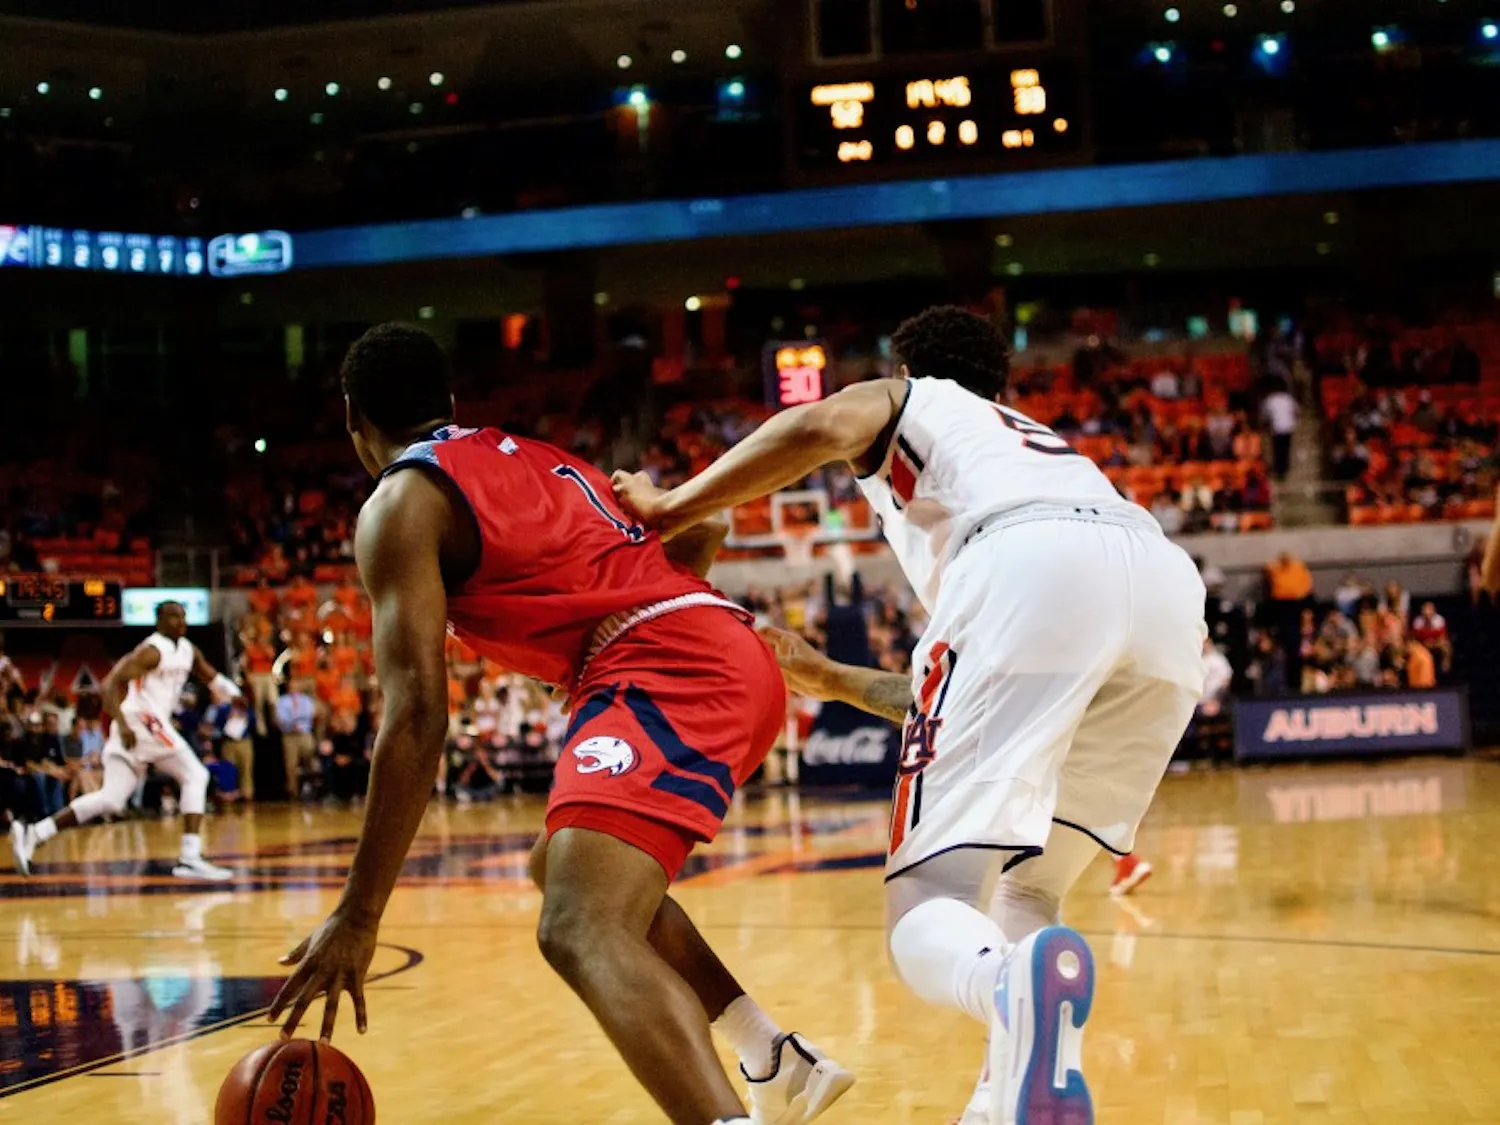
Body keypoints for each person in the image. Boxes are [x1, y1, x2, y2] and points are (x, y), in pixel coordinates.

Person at [615, 305, 1207, 1125]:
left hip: (1028, 569)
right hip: (1165, 592)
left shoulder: (915, 399)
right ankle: (1005, 1102)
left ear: (907, 366)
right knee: (1027, 892)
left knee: (928, 909)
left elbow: (821, 421)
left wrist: (667, 506)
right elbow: (968, 693)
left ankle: (1005, 990)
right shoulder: (1038, 448)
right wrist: (827, 674)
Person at [266, 323, 851, 1125]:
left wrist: (359, 914)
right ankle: (772, 1056)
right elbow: (702, 528)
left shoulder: (400, 500)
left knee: (579, 922)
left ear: (352, 419)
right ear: (450, 402)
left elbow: (415, 718)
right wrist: (598, 635)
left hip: (667, 666)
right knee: (562, 869)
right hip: (711, 646)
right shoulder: (540, 455)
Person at [8, 601, 241, 881]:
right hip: (141, 720)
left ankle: (36, 832)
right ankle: (190, 857)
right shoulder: (152, 651)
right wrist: (121, 722)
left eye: (183, 616)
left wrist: (235, 693)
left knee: (111, 799)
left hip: (144, 725)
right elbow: (110, 684)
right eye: (174, 617)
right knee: (196, 775)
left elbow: (211, 677)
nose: (181, 622)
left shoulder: (188, 650)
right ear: (160, 621)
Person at [275, 679, 319, 801]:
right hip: (289, 735)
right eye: (292, 686)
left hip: (305, 734)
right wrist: (292, 724)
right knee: (291, 765)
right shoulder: (282, 701)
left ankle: (312, 789)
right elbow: (281, 717)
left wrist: (295, 719)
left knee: (310, 758)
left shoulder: (306, 700)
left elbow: (310, 714)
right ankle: (293, 793)